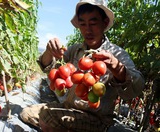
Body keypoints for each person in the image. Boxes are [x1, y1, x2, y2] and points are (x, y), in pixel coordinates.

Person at [20, 0, 145, 131]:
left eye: (93, 23)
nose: (87, 29)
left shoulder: (117, 54)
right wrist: (49, 51)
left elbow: (137, 87)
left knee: (48, 117)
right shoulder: (75, 50)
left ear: (105, 23)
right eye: (83, 24)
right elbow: (48, 68)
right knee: (27, 112)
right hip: (68, 108)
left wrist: (118, 68)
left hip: (96, 119)